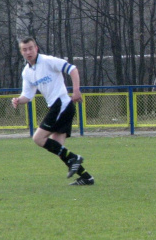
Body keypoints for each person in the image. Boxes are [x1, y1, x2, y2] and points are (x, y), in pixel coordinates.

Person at [12, 36, 95, 185]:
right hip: (58, 107)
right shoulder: (27, 72)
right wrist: (18, 100)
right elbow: (28, 96)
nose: (28, 51)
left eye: (31, 48)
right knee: (58, 148)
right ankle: (86, 177)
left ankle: (75, 159)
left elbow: (72, 69)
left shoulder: (48, 61)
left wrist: (76, 91)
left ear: (36, 48)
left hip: (61, 105)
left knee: (38, 138)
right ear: (21, 52)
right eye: (25, 49)